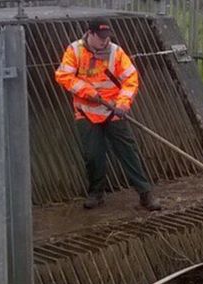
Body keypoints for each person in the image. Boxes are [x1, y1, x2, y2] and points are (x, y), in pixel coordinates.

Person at [55, 18, 161, 211]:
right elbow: (64, 76)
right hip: (86, 113)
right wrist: (88, 92)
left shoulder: (116, 52)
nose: (105, 41)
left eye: (107, 37)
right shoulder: (75, 51)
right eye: (101, 37)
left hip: (113, 111)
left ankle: (145, 194)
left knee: (128, 152)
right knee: (93, 155)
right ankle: (96, 193)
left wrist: (123, 104)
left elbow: (131, 79)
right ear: (90, 33)